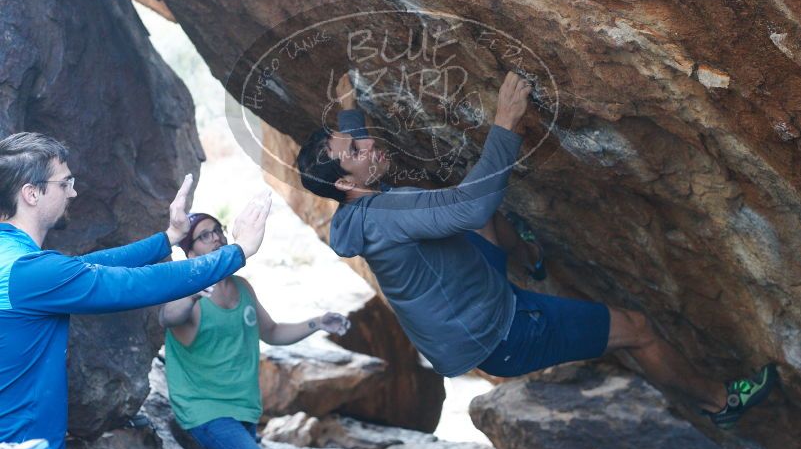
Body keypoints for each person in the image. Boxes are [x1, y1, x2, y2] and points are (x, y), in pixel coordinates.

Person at [295, 72, 776, 430]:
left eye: (359, 137)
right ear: (343, 181)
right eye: (357, 148)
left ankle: (531, 261)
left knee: (481, 220)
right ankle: (719, 403)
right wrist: (506, 122)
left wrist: (348, 109)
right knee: (639, 330)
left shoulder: (354, 209)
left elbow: (358, 163)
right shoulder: (387, 212)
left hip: (467, 296)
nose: (369, 142)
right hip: (502, 331)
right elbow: (472, 203)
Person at [0, 132, 271, 449]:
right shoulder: (28, 270)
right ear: (31, 193)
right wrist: (237, 251)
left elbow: (92, 266)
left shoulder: (14, 258)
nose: (74, 191)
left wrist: (170, 238)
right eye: (64, 183)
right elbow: (135, 285)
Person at [159, 212, 351, 449]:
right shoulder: (187, 292)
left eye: (218, 230)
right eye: (205, 235)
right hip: (206, 410)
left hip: (243, 407)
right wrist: (192, 295)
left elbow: (272, 331)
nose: (216, 237)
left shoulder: (242, 287)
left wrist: (317, 323)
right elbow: (168, 317)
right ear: (190, 252)